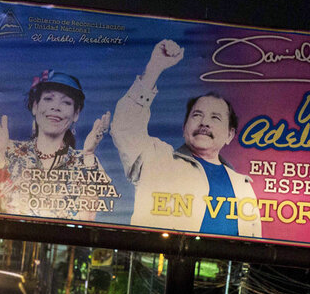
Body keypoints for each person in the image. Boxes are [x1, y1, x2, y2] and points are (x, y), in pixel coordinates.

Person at [111, 40, 261, 237]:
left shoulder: (244, 187)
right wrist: (154, 69)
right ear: (184, 128)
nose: (204, 123)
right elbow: (124, 127)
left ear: (229, 134)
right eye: (197, 115)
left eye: (215, 117)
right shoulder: (157, 158)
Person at [0, 69, 111, 221]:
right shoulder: (9, 150)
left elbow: (88, 218)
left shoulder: (84, 161)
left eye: (66, 102)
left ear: (76, 114)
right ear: (34, 106)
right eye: (48, 99)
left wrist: (89, 156)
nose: (56, 107)